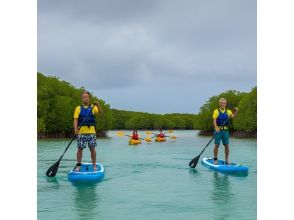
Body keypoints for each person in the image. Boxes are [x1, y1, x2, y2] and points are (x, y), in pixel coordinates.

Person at [73, 90, 103, 171]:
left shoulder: (93, 107)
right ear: (81, 99)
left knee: (92, 148)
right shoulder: (78, 108)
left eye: (86, 97)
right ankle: (78, 165)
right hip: (81, 132)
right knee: (80, 149)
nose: (85, 98)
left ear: (89, 98)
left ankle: (94, 165)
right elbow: (75, 120)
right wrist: (75, 129)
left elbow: (101, 113)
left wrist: (98, 105)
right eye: (83, 97)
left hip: (91, 132)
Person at [212, 98, 238, 165]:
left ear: (226, 104)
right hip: (218, 130)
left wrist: (236, 112)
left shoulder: (228, 111)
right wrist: (216, 127)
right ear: (220, 104)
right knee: (217, 145)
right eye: (222, 103)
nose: (223, 104)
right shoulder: (216, 111)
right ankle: (215, 159)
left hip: (225, 131)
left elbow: (234, 116)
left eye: (224, 103)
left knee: (226, 145)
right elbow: (214, 121)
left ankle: (226, 160)